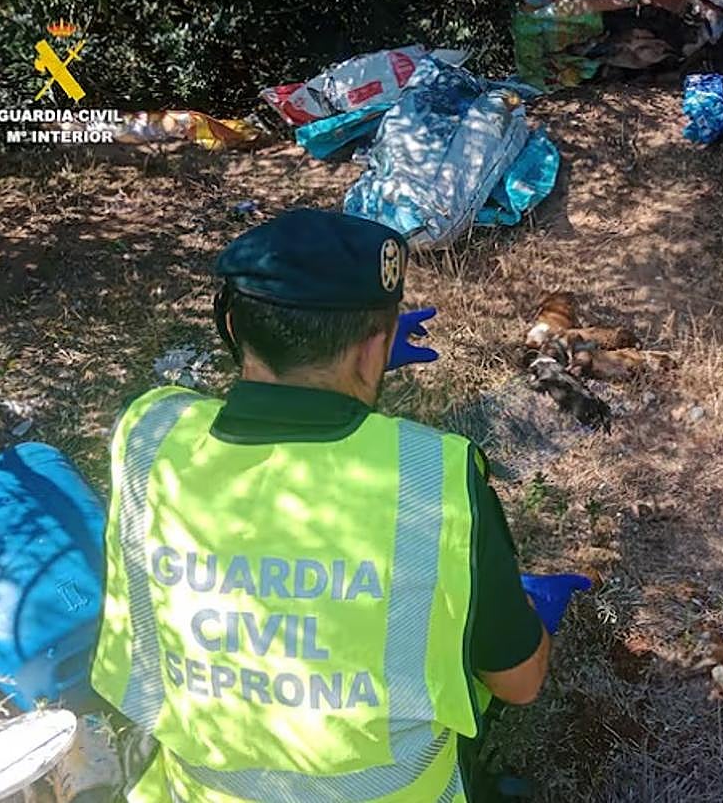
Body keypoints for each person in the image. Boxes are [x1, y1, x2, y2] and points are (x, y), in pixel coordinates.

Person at [90, 209, 550, 802]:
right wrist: (529, 617)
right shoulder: (435, 476)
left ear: (231, 325)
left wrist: (335, 368)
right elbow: (519, 684)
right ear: (374, 347)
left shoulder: (150, 434)